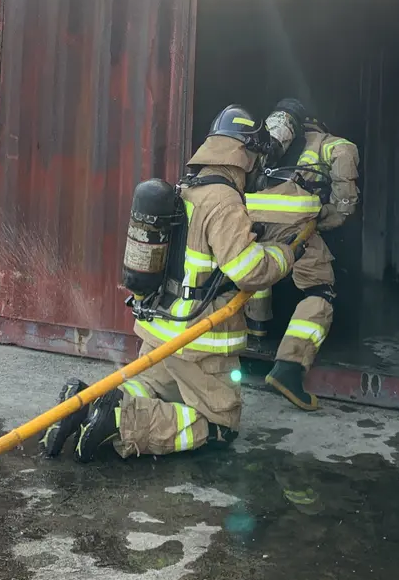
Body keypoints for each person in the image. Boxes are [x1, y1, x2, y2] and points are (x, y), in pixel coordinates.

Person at [39, 105, 305, 463]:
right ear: (244, 155)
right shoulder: (223, 201)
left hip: (161, 330)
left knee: (146, 388)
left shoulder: (188, 188)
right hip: (197, 341)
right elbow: (249, 271)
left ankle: (83, 406)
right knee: (219, 425)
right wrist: (286, 254)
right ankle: (118, 421)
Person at [251, 99, 360, 411]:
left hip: (251, 214)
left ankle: (258, 329)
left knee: (257, 267)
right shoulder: (333, 144)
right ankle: (289, 368)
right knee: (320, 290)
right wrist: (327, 218)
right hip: (292, 219)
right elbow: (344, 202)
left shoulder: (270, 143)